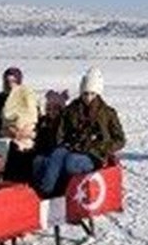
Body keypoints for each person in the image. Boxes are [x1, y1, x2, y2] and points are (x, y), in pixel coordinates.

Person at [34, 67, 124, 197]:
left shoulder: (108, 113)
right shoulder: (71, 110)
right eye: (85, 93)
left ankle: (67, 192)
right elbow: (61, 132)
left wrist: (101, 147)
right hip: (71, 147)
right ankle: (46, 194)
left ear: (98, 93)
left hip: (93, 153)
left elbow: (120, 139)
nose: (88, 97)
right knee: (56, 156)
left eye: (92, 94)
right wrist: (64, 143)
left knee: (71, 162)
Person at [0, 67, 23, 139]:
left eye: (13, 82)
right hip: (0, 139)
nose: (10, 86)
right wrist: (2, 132)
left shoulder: (27, 100)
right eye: (7, 82)